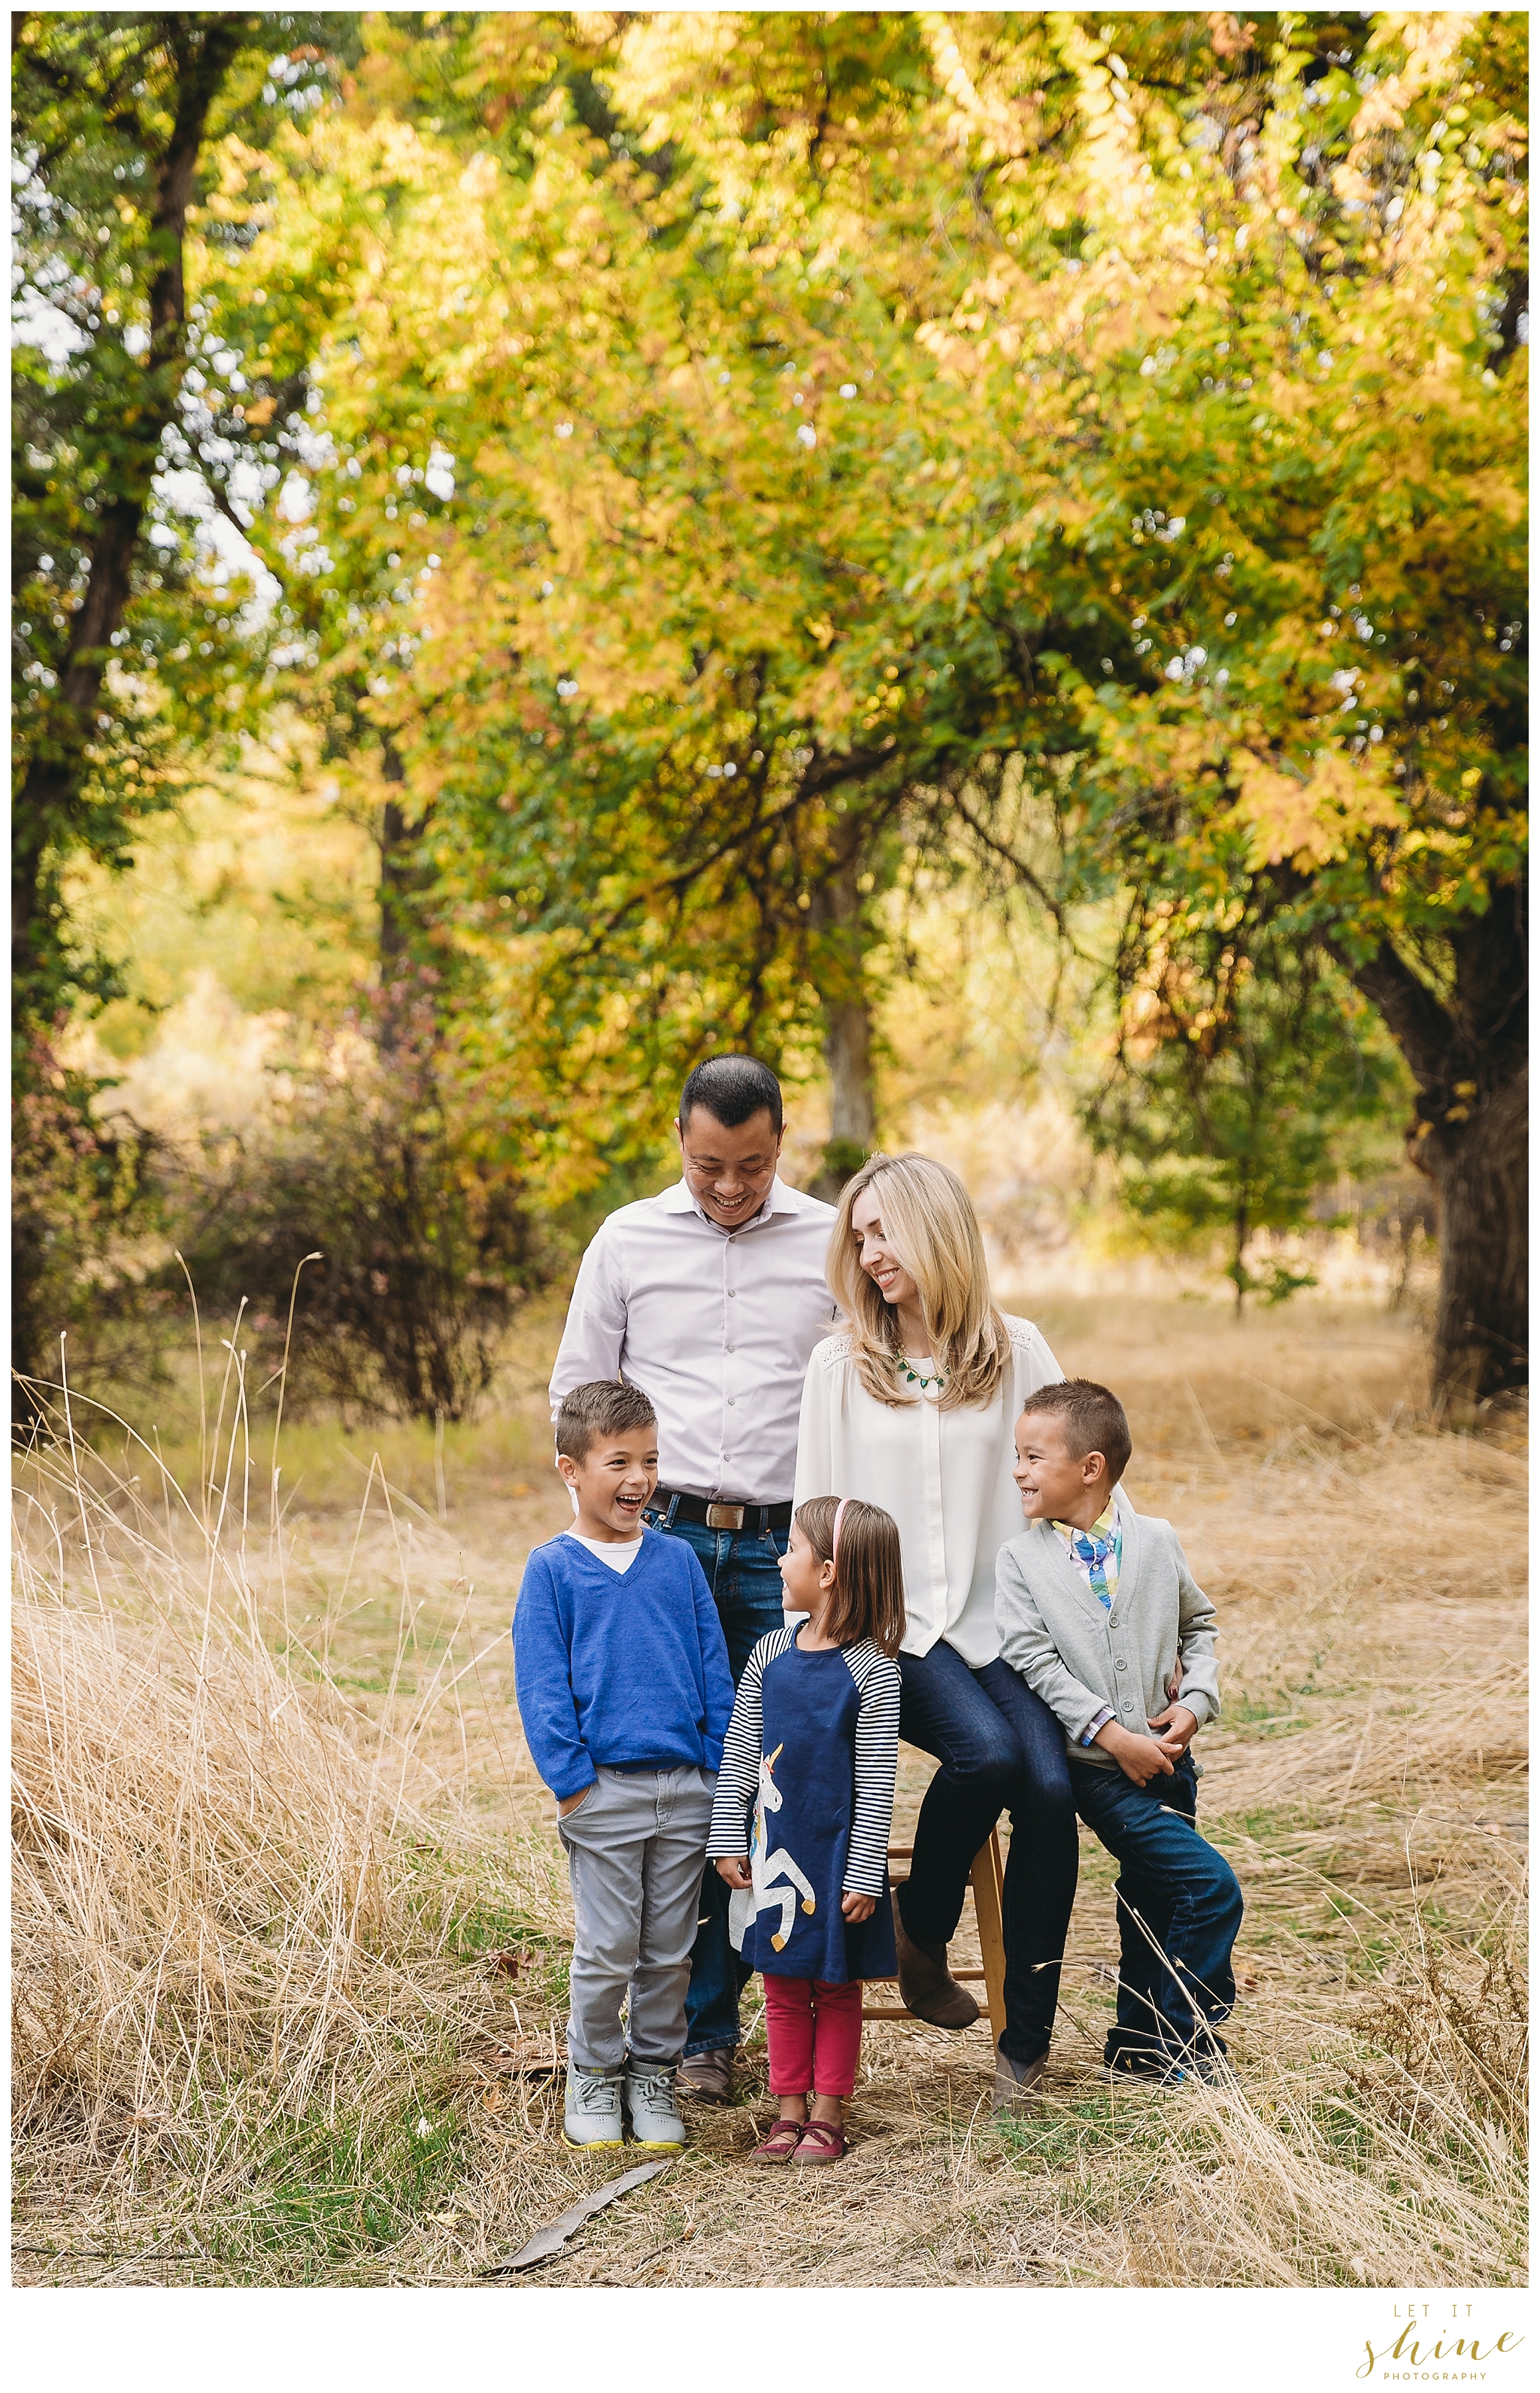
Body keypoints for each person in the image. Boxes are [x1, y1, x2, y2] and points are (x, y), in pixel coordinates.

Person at [548, 1054, 838, 2100]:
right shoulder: (627, 1238)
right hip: (658, 1544)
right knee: (675, 1779)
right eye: (711, 1163)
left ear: (780, 1144)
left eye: (753, 1164)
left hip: (780, 1550)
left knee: (759, 1778)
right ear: (679, 1137)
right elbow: (576, 1391)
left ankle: (788, 2013)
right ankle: (698, 2038)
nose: (730, 1185)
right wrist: (602, 1548)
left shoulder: (825, 1237)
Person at [794, 1151, 1075, 2114]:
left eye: (884, 1230)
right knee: (988, 1754)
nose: (869, 1252)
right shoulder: (840, 1365)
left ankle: (1022, 2043)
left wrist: (1141, 1630)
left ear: (937, 1228)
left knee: (1046, 1782)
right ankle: (922, 1927)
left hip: (1006, 1626)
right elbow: (814, 1516)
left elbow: (1081, 1497)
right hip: (890, 1634)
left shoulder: (1018, 1351)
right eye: (858, 1235)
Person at [996, 1377, 1244, 2082]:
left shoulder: (1157, 1541)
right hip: (1101, 1772)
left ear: (1090, 1468)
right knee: (1212, 1887)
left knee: (1153, 1900)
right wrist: (1114, 1737)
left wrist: (1194, 1703)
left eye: (1033, 1457)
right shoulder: (1021, 1562)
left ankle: (1136, 2043)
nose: (1019, 1470)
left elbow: (1200, 1626)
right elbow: (1034, 1661)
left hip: (1171, 1760)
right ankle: (1185, 2040)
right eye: (1019, 1454)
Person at [511, 1379, 735, 2149]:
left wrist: (714, 1771)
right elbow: (541, 1686)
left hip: (685, 1789)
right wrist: (573, 1787)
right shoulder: (553, 1569)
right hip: (602, 1791)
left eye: (649, 1460)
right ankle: (594, 2072)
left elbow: (713, 1671)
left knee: (668, 1947)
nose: (638, 1478)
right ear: (571, 1469)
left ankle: (651, 2073)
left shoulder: (675, 1563)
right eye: (618, 1461)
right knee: (609, 1945)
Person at [708, 1495, 904, 2166]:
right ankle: (787, 2111)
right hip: (776, 1852)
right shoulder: (768, 1652)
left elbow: (877, 1780)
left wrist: (864, 1870)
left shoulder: (872, 1669)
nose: (778, 1557)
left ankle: (828, 2113)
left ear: (828, 1572)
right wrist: (728, 1835)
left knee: (834, 1984)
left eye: (790, 1548)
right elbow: (741, 1750)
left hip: (833, 1859)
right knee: (782, 1982)